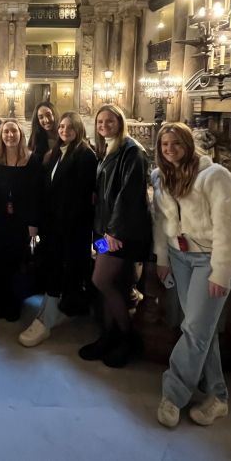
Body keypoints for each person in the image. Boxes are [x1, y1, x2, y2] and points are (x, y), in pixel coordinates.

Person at [152, 123, 231, 428]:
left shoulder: (215, 176)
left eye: (176, 143)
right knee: (200, 329)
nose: (170, 149)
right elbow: (161, 222)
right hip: (179, 256)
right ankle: (218, 396)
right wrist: (163, 258)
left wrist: (222, 272)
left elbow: (230, 227)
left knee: (194, 328)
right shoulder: (161, 177)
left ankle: (173, 394)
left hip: (208, 259)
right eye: (164, 144)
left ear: (189, 144)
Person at [78, 103, 152, 368]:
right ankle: (109, 337)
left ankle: (127, 338)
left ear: (120, 122)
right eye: (100, 122)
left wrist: (113, 232)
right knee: (112, 284)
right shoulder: (110, 148)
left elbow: (129, 195)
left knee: (102, 281)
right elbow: (107, 189)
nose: (104, 126)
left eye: (110, 121)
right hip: (105, 231)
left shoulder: (132, 151)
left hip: (120, 235)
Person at [18, 111, 97, 347]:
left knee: (63, 270)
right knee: (52, 268)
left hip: (72, 229)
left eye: (70, 127)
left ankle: (48, 319)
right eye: (62, 127)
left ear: (79, 129)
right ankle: (52, 311)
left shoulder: (85, 156)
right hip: (53, 226)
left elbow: (82, 198)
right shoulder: (56, 154)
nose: (64, 131)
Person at [0, 120, 40, 321]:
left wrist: (33, 222)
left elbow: (36, 194)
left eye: (13, 131)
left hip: (21, 220)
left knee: (17, 261)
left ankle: (14, 303)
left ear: (20, 134)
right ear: (1, 136)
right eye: (5, 131)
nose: (9, 135)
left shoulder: (32, 160)